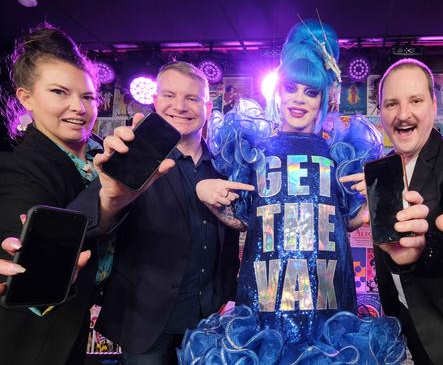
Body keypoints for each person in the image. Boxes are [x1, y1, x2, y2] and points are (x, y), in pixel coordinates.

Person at [183, 19, 405, 364]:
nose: (299, 99)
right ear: (279, 91)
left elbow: (349, 221)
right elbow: (241, 221)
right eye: (291, 88)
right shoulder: (253, 150)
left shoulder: (341, 152)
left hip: (329, 308)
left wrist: (384, 195)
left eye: (311, 91)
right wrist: (202, 191)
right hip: (264, 308)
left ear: (324, 98)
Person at [68, 61, 241, 364]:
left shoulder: (226, 166)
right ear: (156, 100)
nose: (180, 106)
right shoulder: (133, 154)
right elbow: (86, 220)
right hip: (143, 321)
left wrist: (225, 295)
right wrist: (112, 191)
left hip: (208, 323)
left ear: (208, 106)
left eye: (192, 98)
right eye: (170, 95)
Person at [342, 58, 443, 364]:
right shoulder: (379, 168)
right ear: (381, 112)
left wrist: (420, 248)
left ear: (433, 105)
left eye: (415, 100)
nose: (403, 114)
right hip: (399, 318)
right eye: (391, 104)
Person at [0, 24, 99, 364]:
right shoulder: (17, 169)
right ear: (25, 97)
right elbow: (25, 266)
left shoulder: (97, 161)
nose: (79, 108)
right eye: (60, 92)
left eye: (88, 97)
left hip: (73, 334)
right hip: (29, 345)